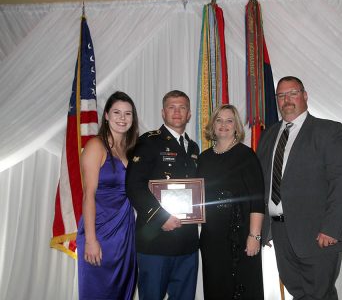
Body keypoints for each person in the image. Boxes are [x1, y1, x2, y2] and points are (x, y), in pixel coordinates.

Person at [257, 76, 342, 300]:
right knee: (298, 293)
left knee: (319, 294)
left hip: (318, 232)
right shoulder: (268, 135)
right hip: (281, 233)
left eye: (292, 93)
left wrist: (332, 228)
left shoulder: (327, 130)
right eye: (281, 95)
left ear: (305, 96)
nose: (286, 100)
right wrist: (264, 229)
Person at [126, 90, 200, 300]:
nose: (177, 112)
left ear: (189, 114)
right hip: (155, 242)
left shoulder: (193, 147)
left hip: (187, 244)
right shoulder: (149, 142)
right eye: (171, 107)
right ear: (163, 112)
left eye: (182, 107)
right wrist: (161, 217)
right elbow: (134, 186)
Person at [198, 104, 265, 299]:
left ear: (236, 126)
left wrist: (255, 236)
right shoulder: (204, 159)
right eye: (219, 120)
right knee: (216, 287)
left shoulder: (246, 156)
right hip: (211, 238)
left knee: (242, 289)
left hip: (241, 237)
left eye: (229, 120)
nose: (224, 125)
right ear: (212, 125)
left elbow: (257, 200)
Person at [77, 91, 139, 300]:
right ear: (106, 115)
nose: (122, 118)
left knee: (123, 292)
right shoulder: (96, 146)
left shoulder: (131, 150)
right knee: (99, 292)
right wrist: (91, 240)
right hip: (100, 232)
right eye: (117, 112)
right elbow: (88, 195)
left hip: (125, 234)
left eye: (128, 113)